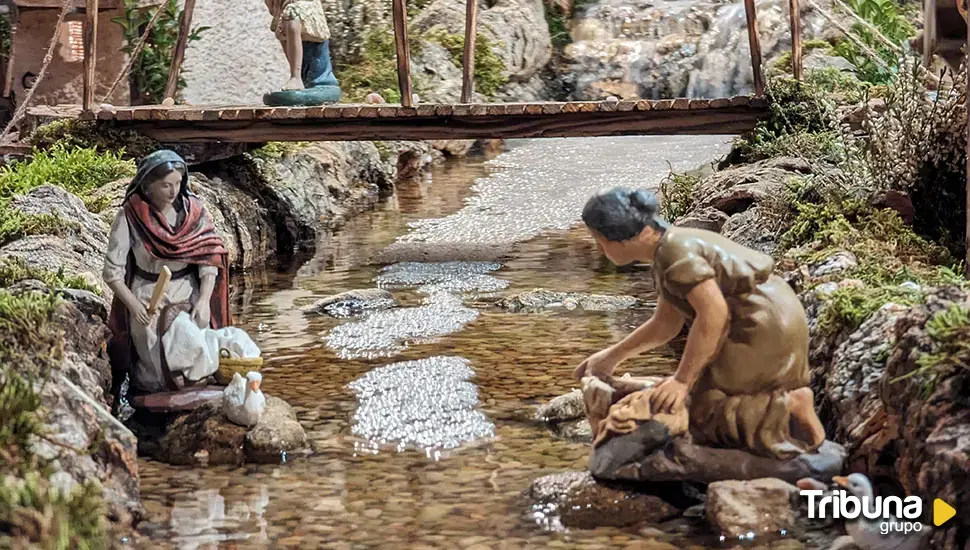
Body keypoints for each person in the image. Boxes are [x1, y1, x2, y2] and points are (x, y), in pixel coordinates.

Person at [575, 187, 825, 460]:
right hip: (771, 313)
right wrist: (610, 357)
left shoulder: (675, 253)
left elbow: (713, 315)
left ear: (622, 237)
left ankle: (785, 406)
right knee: (693, 399)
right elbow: (665, 324)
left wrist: (682, 381)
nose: (599, 249)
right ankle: (783, 402)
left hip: (760, 324)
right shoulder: (667, 249)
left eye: (600, 240)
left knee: (703, 412)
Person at [104, 150, 231, 402]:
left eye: (177, 183)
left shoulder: (194, 213)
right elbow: (112, 272)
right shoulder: (130, 217)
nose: (173, 191)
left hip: (187, 290)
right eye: (165, 185)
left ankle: (194, 389)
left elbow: (209, 259)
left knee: (192, 346)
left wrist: (204, 300)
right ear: (148, 186)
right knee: (152, 355)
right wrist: (133, 304)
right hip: (147, 294)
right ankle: (151, 402)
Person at [265, 0, 338, 91]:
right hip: (287, 6)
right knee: (282, 28)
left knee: (292, 20)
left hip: (304, 6)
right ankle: (300, 76)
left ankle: (297, 77)